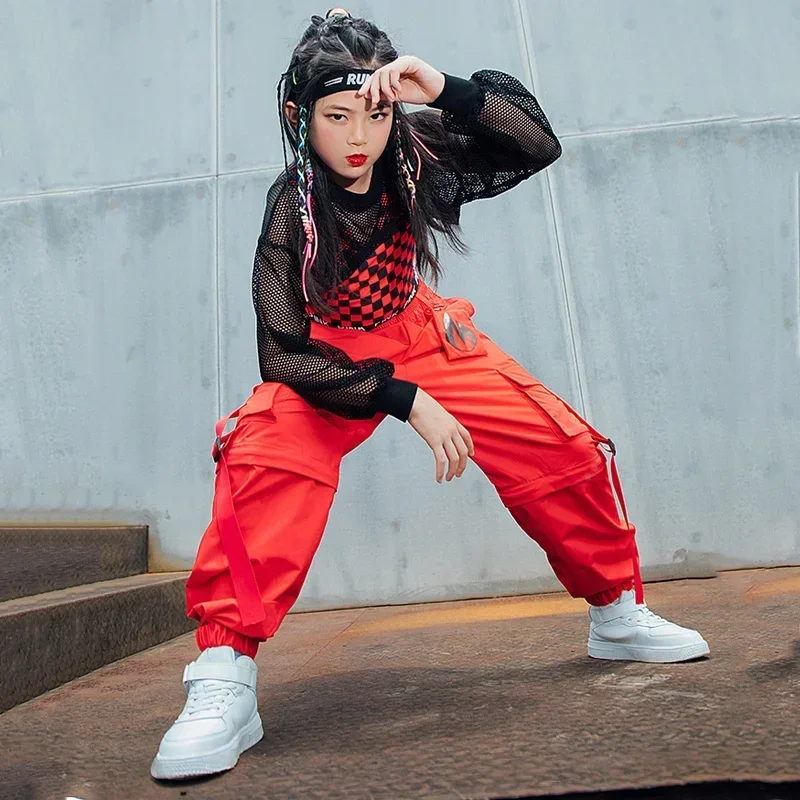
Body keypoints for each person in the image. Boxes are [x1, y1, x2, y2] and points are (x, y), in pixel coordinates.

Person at [150, 8, 709, 781]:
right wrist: (405, 400)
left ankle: (616, 612)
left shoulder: (417, 158)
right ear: (299, 117)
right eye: (337, 117)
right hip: (328, 358)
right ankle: (223, 677)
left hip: (421, 331)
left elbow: (535, 144)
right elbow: (281, 353)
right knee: (265, 450)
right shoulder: (293, 210)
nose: (359, 137)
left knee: (558, 443)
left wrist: (441, 87)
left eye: (375, 114)